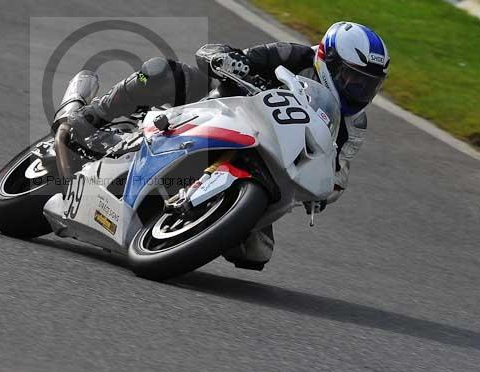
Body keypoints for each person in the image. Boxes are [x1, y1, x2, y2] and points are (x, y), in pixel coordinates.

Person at [65, 22, 390, 270]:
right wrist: (235, 66)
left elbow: (339, 169)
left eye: (368, 84)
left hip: (266, 164)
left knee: (255, 253)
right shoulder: (293, 55)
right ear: (327, 60)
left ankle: (191, 221)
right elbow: (217, 53)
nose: (359, 90)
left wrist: (326, 187)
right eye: (353, 78)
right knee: (162, 72)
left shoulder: (354, 123)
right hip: (215, 113)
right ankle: (92, 116)